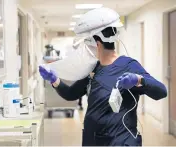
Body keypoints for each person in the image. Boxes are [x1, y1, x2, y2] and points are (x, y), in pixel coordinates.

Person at [39, 8, 167, 146]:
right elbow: (71, 94)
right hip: (93, 141)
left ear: (96, 43)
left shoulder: (129, 66)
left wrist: (138, 79)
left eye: (86, 43)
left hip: (120, 142)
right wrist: (54, 80)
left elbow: (161, 91)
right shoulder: (93, 68)